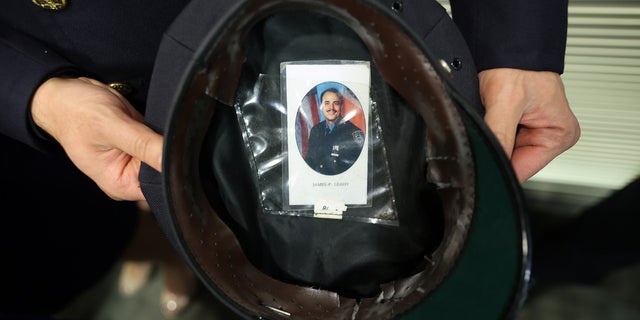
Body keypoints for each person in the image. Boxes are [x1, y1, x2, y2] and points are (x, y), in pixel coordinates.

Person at [0, 0, 579, 317]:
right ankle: (174, 234)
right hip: (79, 79)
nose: (330, 108)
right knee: (117, 213)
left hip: (340, 27)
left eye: (333, 104)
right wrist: (31, 93)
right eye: (326, 103)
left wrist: (515, 34)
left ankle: (175, 233)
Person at [304, 88, 365, 175]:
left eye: (335, 103)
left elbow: (356, 170)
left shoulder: (353, 133)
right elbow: (310, 160)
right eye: (327, 103)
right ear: (321, 107)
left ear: (341, 106)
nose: (331, 108)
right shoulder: (316, 130)